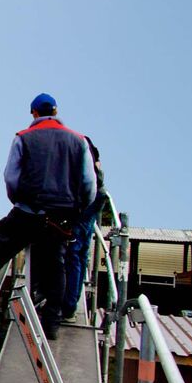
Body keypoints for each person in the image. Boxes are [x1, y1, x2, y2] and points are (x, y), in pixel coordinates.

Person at [0, 93, 96, 339]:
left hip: (27, 213)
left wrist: (19, 201)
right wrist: (75, 211)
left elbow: (11, 177)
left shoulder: (24, 138)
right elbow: (88, 184)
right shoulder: (79, 141)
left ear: (34, 113)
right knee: (56, 266)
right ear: (56, 111)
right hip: (59, 219)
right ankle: (51, 324)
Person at [61, 136, 107, 320]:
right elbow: (98, 164)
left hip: (88, 200)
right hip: (96, 198)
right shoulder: (84, 141)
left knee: (74, 251)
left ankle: (68, 307)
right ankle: (71, 301)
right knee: (81, 252)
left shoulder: (72, 148)